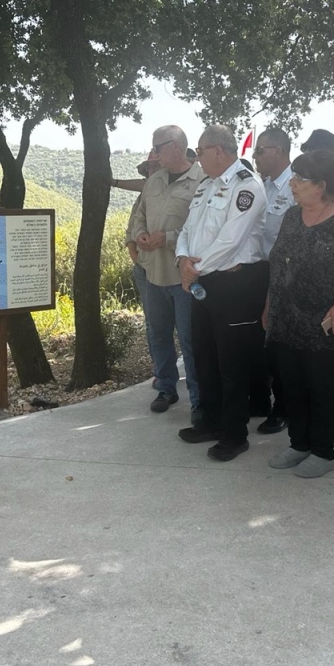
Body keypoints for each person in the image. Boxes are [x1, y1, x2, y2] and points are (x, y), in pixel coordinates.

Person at [265, 150, 334, 477]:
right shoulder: (292, 216)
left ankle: (324, 452)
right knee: (292, 385)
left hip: (326, 321)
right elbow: (278, 265)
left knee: (322, 387)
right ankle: (299, 444)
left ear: (321, 185)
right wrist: (269, 306)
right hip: (288, 319)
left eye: (299, 179)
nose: (292, 184)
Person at [176, 125, 269, 462]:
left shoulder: (247, 185)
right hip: (203, 282)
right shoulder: (207, 185)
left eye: (200, 151)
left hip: (235, 284)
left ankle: (234, 434)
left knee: (232, 362)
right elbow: (188, 229)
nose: (197, 157)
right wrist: (182, 259)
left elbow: (231, 240)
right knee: (205, 355)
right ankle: (212, 422)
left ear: (218, 150)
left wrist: (194, 270)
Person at [132, 126, 205, 416]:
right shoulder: (154, 180)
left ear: (175, 146)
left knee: (190, 340)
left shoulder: (202, 181)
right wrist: (140, 234)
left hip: (185, 277)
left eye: (158, 147)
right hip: (153, 274)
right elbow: (139, 216)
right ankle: (166, 387)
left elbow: (203, 229)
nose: (154, 153)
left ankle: (199, 400)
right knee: (158, 333)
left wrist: (169, 238)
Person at [252, 128, 296, 434]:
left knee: (281, 343)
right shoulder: (262, 186)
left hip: (285, 274)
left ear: (278, 151)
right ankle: (260, 400)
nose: (255, 157)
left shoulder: (296, 186)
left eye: (260, 151)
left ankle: (284, 408)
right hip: (259, 271)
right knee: (261, 342)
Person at [124, 153, 160, 385]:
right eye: (148, 168)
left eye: (155, 167)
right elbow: (131, 231)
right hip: (145, 269)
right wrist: (137, 259)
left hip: (174, 269)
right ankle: (161, 372)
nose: (151, 171)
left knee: (184, 326)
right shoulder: (142, 198)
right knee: (153, 324)